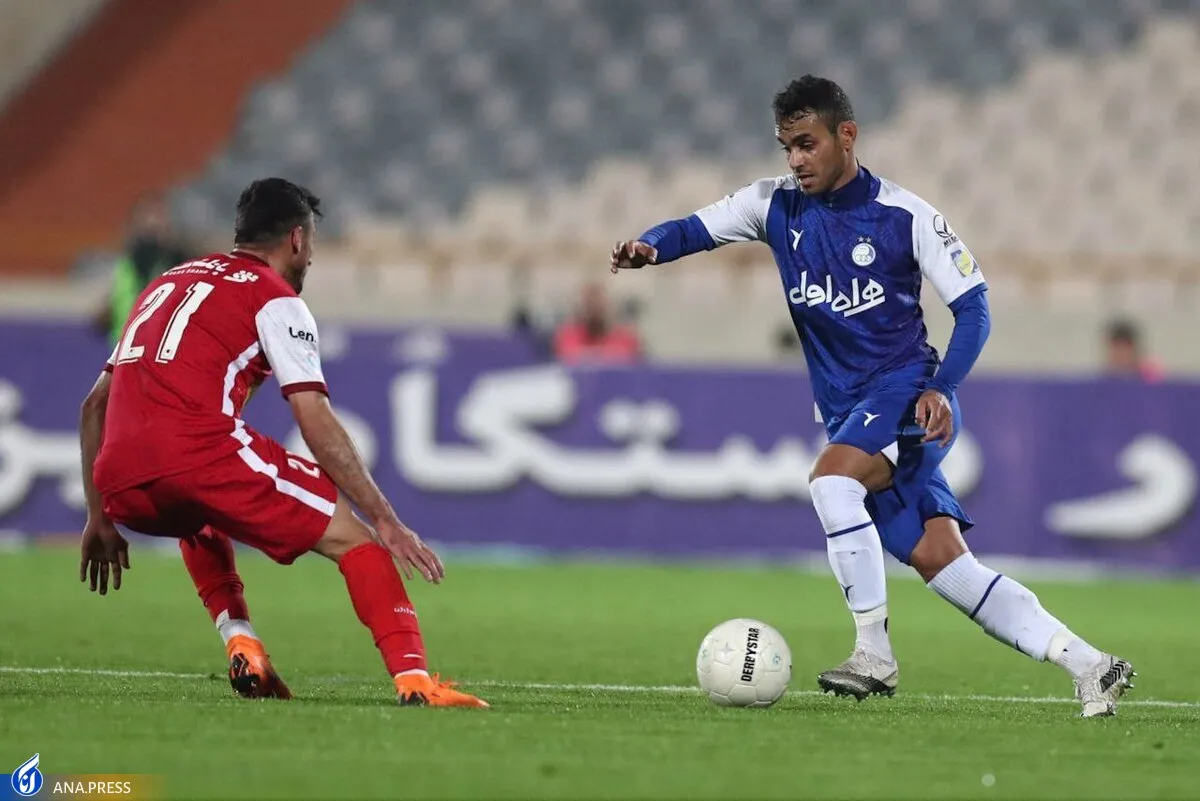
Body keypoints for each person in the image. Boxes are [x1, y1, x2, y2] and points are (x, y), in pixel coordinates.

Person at [610, 76, 1134, 717]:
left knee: (832, 483)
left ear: (846, 136)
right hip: (850, 413)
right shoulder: (772, 205)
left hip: (907, 395)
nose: (795, 160)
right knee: (946, 564)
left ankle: (873, 655)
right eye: (786, 147)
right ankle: (1091, 665)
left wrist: (941, 388)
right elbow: (694, 228)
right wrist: (649, 247)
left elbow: (974, 308)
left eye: (807, 144)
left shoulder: (905, 215)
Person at [78, 178, 488, 708]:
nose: (310, 258)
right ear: (297, 239)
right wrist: (386, 518)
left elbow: (94, 406)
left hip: (119, 480)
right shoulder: (273, 296)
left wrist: (98, 516)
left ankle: (242, 643)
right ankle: (416, 682)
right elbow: (313, 417)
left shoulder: (165, 284)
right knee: (357, 541)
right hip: (198, 453)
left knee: (197, 515)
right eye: (311, 243)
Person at [96, 192, 189, 347]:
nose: (151, 223)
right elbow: (119, 299)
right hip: (124, 343)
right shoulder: (128, 261)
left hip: (153, 345)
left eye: (157, 217)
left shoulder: (176, 260)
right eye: (146, 217)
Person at [553, 282, 642, 364]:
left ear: (608, 306)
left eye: (599, 305)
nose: (595, 309)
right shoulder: (567, 337)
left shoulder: (626, 339)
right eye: (590, 305)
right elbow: (566, 358)